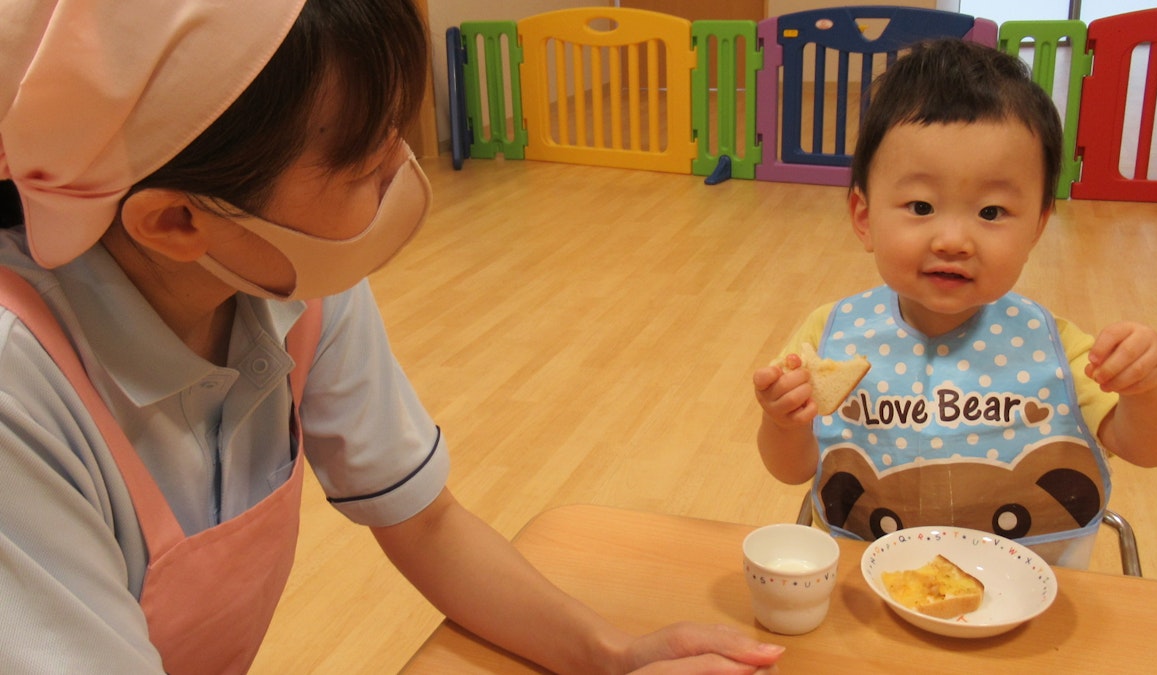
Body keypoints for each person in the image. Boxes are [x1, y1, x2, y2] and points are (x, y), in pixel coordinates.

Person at [0, 2, 785, 673]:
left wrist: (612, 653)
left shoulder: (282, 274)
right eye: (364, 166)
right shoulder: (19, 389)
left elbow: (423, 519)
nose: (401, 174)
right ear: (176, 220)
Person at [753, 39, 1157, 568]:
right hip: (867, 585)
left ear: (1037, 225)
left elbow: (1151, 448)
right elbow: (792, 470)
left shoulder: (1054, 347)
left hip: (1033, 587)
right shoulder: (830, 336)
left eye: (991, 211)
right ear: (864, 217)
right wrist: (783, 423)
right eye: (921, 206)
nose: (953, 239)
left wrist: (1149, 389)